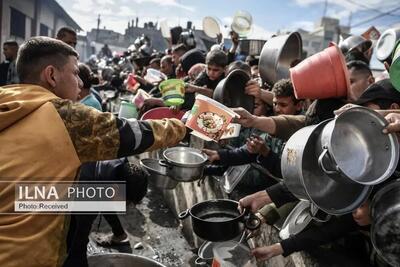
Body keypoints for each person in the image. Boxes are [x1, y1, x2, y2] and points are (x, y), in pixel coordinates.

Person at [0, 36, 186, 267]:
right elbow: (135, 134)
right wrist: (184, 124)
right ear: (51, 75)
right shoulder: (64, 115)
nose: (80, 82)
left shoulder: (7, 100)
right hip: (24, 256)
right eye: (75, 73)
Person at [240, 79, 400, 263]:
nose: (363, 125)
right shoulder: (368, 159)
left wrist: (372, 214)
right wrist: (280, 245)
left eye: (369, 114)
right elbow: (314, 178)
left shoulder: (381, 163)